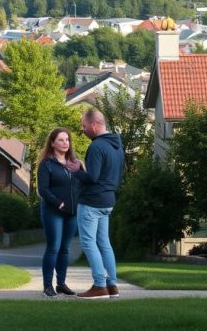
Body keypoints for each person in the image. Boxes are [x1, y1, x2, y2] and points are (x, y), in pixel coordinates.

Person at [69, 108, 124, 299]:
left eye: (84, 126)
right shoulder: (117, 145)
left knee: (88, 242)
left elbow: (92, 177)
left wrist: (77, 170)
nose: (82, 130)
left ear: (94, 125)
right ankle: (112, 285)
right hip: (108, 200)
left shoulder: (96, 147)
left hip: (92, 201)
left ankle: (99, 285)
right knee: (104, 243)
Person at [36, 127, 82, 298]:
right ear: (53, 143)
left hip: (72, 213)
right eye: (61, 140)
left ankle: (61, 284)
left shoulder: (74, 164)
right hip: (53, 211)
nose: (65, 143)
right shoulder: (47, 164)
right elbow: (43, 189)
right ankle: (48, 286)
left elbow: (82, 184)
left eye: (67, 140)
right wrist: (58, 203)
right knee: (53, 247)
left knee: (65, 249)